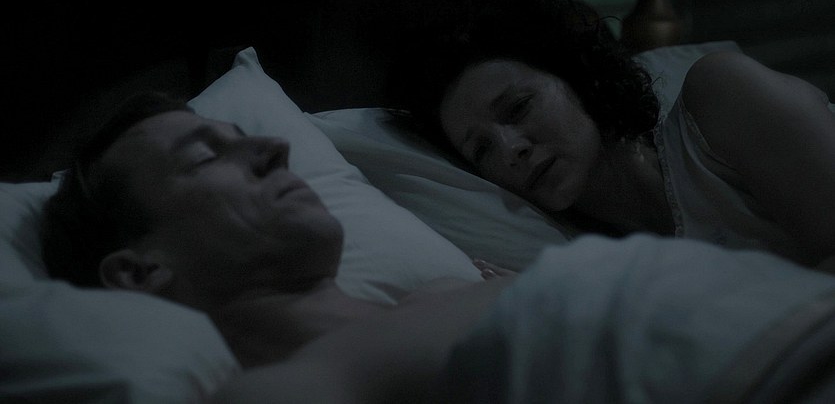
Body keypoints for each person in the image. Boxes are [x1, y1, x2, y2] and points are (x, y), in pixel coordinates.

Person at [40, 92, 835, 403]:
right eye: (206, 155)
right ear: (139, 268)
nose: (275, 148)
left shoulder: (444, 298)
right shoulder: (292, 384)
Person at [390, 0, 835, 269]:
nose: (510, 150)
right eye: (482, 150)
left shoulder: (721, 96)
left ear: (576, 77)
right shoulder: (587, 263)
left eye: (518, 108)